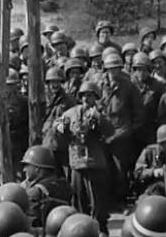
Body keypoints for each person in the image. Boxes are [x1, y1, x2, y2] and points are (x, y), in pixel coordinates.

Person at [55, 81, 113, 233]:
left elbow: (110, 131)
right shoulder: (71, 112)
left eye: (90, 96)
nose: (86, 99)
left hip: (95, 164)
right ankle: (81, 230)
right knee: (79, 199)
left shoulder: (100, 113)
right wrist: (60, 126)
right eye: (84, 96)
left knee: (97, 202)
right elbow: (59, 123)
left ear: (96, 97)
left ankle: (99, 229)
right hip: (77, 163)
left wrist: (98, 118)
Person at [99, 53, 143, 207]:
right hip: (102, 134)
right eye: (110, 69)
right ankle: (106, 202)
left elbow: (138, 115)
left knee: (120, 172)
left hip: (121, 136)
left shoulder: (129, 87)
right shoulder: (99, 84)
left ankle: (121, 202)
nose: (113, 72)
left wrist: (125, 132)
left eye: (116, 68)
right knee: (103, 170)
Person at [20, 145, 72, 229]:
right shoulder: (64, 185)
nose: (24, 170)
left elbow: (29, 225)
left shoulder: (35, 193)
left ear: (37, 168)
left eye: (27, 166)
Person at [133, 124, 166, 199]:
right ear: (161, 143)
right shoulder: (149, 152)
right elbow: (138, 173)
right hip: (151, 189)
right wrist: (153, 172)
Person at [41, 67, 77, 177]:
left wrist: (58, 124)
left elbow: (72, 117)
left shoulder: (68, 100)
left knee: (66, 175)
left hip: (63, 143)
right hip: (47, 142)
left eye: (57, 81)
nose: (54, 85)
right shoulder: (42, 99)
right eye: (52, 82)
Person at [130, 52, 166, 148]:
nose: (142, 73)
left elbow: (162, 108)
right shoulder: (129, 84)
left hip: (150, 128)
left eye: (144, 69)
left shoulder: (157, 86)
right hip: (132, 129)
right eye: (139, 69)